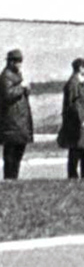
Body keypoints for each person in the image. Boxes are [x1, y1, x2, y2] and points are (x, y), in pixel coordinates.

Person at [1, 49, 33, 180]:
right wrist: (22, 87)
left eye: (21, 61)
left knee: (18, 153)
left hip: (19, 122)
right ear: (11, 62)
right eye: (17, 61)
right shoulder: (5, 76)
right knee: (11, 155)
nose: (20, 64)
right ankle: (10, 178)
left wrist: (26, 88)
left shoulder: (17, 75)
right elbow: (7, 95)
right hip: (11, 122)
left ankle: (14, 178)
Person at [58, 57, 84, 179]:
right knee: (77, 150)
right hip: (77, 123)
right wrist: (82, 120)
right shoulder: (73, 83)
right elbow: (74, 104)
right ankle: (75, 175)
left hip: (81, 122)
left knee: (83, 150)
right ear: (80, 68)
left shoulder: (79, 83)